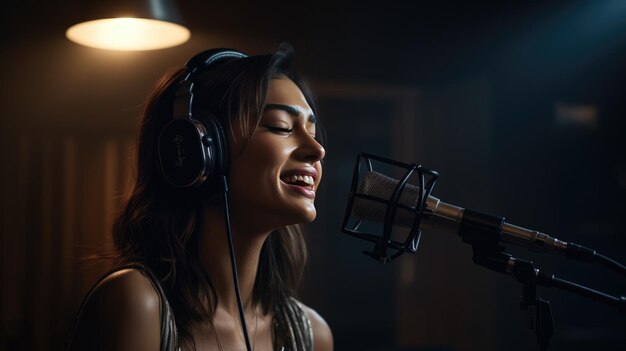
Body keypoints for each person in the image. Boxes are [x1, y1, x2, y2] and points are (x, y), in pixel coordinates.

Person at [68, 44, 333, 351]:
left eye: (312, 131)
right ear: (199, 150)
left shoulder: (312, 335)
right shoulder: (137, 306)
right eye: (281, 126)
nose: (317, 150)